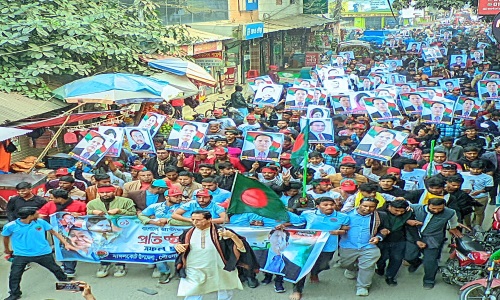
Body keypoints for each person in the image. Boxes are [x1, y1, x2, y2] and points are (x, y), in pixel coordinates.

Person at [175, 210, 258, 300]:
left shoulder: (223, 232)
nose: (195, 222)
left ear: (209, 219)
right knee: (192, 290)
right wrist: (177, 246)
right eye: (193, 219)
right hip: (194, 266)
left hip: (219, 266)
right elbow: (180, 243)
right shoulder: (187, 233)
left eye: (198, 220)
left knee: (224, 288)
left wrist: (232, 236)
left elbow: (242, 247)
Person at [2, 206, 76, 300]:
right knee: (15, 275)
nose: (39, 214)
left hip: (43, 253)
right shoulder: (11, 226)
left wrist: (65, 243)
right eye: (37, 213)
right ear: (30, 216)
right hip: (21, 255)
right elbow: (5, 237)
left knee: (55, 268)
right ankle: (14, 293)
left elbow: (54, 233)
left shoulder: (41, 222)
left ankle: (64, 281)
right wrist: (7, 249)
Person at [290, 197, 350, 299]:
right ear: (317, 206)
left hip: (328, 246)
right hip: (308, 245)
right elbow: (298, 222)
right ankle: (297, 290)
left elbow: (346, 228)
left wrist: (341, 231)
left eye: (332, 204)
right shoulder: (308, 214)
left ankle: (314, 273)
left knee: (323, 265)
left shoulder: (343, 217)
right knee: (302, 267)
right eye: (325, 205)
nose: (329, 207)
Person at [405, 198, 462, 289]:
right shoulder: (415, 208)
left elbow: (453, 223)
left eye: (440, 209)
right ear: (428, 205)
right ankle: (416, 262)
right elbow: (400, 212)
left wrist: (453, 228)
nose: (436, 211)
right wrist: (407, 220)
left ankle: (429, 280)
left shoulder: (450, 212)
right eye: (433, 208)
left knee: (430, 261)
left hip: (433, 238)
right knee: (408, 256)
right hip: (414, 235)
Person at [340, 197, 387, 296]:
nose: (367, 209)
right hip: (348, 245)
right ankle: (351, 268)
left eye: (371, 207)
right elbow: (333, 225)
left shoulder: (381, 216)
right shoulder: (345, 214)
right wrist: (340, 228)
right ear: (359, 204)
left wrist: (378, 237)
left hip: (368, 246)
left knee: (367, 267)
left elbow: (384, 229)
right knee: (345, 263)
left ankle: (363, 286)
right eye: (365, 206)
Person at [86, 185, 137, 278]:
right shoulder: (92, 203)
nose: (105, 194)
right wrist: (92, 212)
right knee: (102, 246)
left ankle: (120, 266)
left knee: (120, 246)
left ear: (114, 192)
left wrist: (119, 211)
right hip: (102, 231)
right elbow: (86, 215)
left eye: (108, 192)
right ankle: (104, 265)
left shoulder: (126, 201)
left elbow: (133, 214)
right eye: (102, 192)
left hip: (121, 229)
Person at [138, 186, 184, 283]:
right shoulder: (156, 206)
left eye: (180, 196)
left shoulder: (184, 207)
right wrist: (152, 222)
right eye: (176, 196)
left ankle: (180, 271)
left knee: (181, 253)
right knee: (158, 251)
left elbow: (189, 221)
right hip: (159, 235)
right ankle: (164, 272)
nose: (179, 198)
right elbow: (141, 215)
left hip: (178, 235)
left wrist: (168, 221)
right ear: (167, 197)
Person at [376, 200, 419, 286]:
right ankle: (380, 268)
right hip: (383, 239)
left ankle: (390, 276)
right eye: (396, 210)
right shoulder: (379, 212)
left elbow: (411, 228)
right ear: (390, 207)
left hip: (399, 239)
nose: (399, 213)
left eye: (402, 211)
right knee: (381, 258)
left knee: (397, 259)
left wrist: (417, 239)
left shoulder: (409, 213)